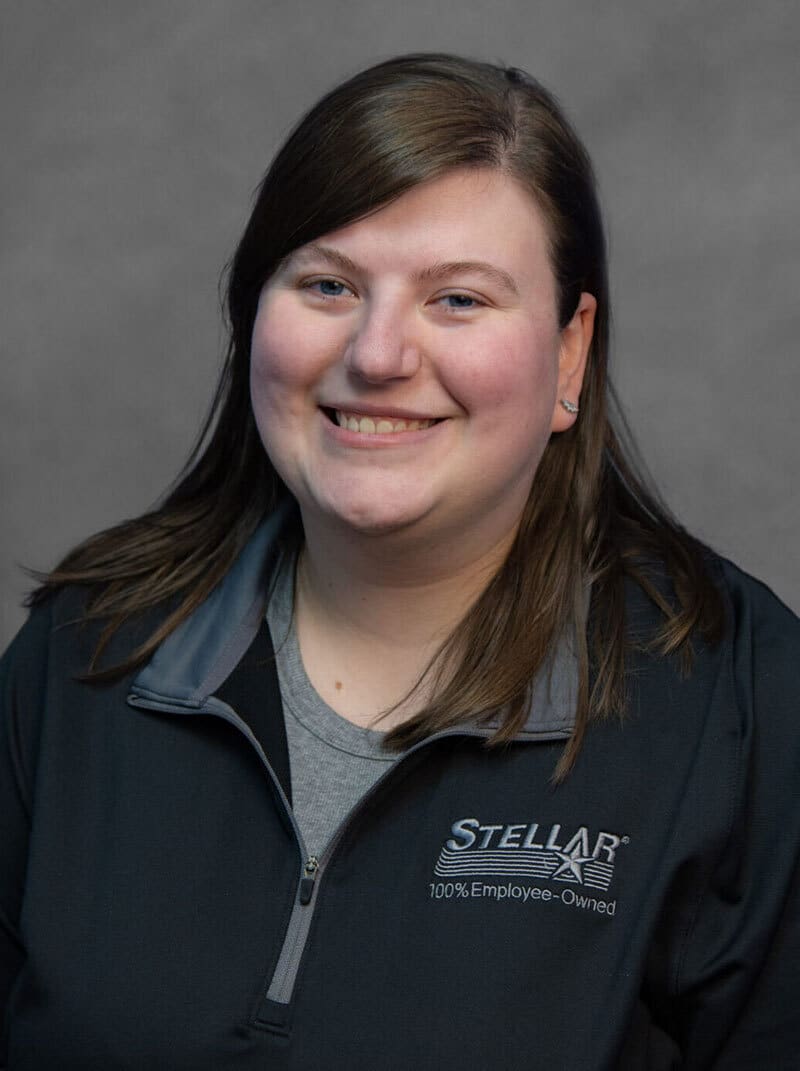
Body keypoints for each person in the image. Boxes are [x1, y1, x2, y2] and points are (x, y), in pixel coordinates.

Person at [1, 52, 798, 1071]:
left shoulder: (743, 707)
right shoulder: (87, 649)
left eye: (457, 299)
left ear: (568, 353)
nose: (377, 354)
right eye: (327, 284)